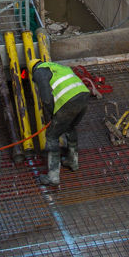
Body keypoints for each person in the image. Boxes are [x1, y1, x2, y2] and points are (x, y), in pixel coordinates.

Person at [30, 59, 92, 188]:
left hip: (68, 102)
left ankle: (53, 177)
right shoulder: (58, 67)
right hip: (84, 97)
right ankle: (73, 162)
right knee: (70, 127)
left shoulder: (39, 71)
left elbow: (46, 99)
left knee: (52, 136)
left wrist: (53, 113)